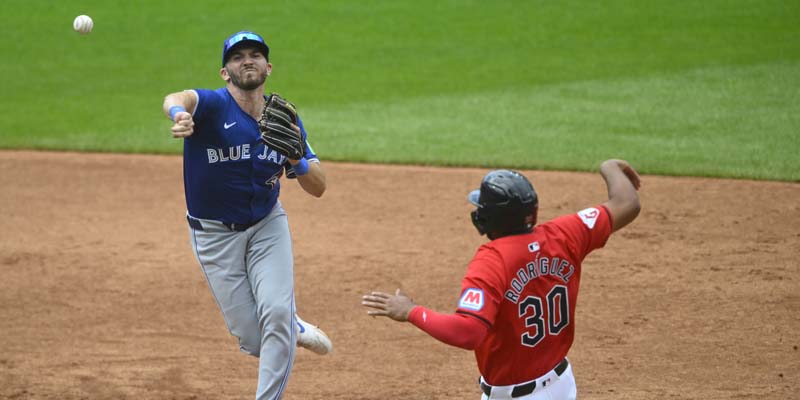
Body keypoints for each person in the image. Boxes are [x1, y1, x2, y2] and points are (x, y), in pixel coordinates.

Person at [362, 159, 642, 400]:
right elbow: (626, 202)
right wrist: (609, 166)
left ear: (487, 218)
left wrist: (411, 311)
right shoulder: (565, 233)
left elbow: (468, 332)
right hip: (562, 385)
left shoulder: (491, 262)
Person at [162, 30, 332, 400]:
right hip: (213, 236)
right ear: (225, 72)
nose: (247, 61)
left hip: (267, 225)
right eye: (238, 57)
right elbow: (176, 98)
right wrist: (179, 115)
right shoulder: (209, 107)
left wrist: (295, 157)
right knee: (259, 340)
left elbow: (318, 186)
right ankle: (293, 326)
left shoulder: (284, 120)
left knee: (274, 319)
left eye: (255, 55)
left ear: (268, 67)